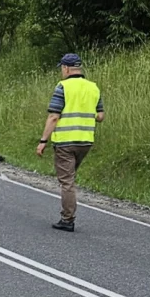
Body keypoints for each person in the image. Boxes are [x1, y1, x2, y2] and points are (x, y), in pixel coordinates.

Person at [36, 53, 104, 232]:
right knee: (70, 178)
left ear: (66, 68)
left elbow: (53, 116)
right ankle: (68, 215)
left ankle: (67, 219)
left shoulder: (62, 87)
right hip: (86, 141)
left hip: (66, 142)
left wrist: (43, 140)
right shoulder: (93, 87)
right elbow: (100, 116)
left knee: (67, 182)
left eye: (61, 68)